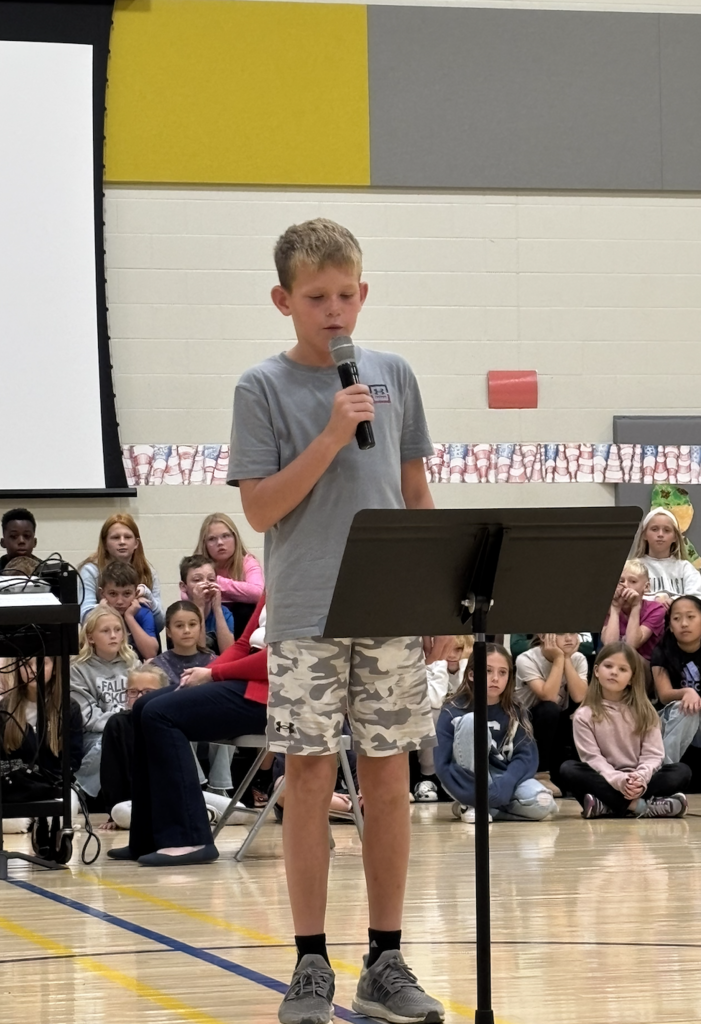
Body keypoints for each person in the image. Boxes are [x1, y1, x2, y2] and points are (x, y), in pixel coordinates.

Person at [228, 218, 443, 1024]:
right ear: (282, 300)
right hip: (307, 611)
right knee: (310, 777)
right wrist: (328, 434)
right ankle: (309, 961)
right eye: (316, 297)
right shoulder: (260, 388)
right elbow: (260, 510)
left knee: (388, 777)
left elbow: (413, 493)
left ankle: (384, 959)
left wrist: (436, 596)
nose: (333, 311)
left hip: (389, 607)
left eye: (346, 295)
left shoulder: (394, 375)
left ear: (363, 293)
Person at [107, 597, 270, 865]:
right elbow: (243, 645)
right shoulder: (272, 585)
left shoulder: (299, 589)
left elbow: (279, 657)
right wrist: (204, 673)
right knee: (143, 705)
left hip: (271, 695)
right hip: (246, 682)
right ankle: (148, 837)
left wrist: (213, 675)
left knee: (160, 713)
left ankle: (189, 838)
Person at [560, 642, 690, 818]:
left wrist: (640, 778)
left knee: (681, 771)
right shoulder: (583, 715)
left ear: (631, 678)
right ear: (596, 671)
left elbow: (653, 755)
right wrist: (618, 780)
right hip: (606, 778)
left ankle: (608, 806)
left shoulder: (645, 711)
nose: (614, 672)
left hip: (640, 780)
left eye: (622, 669)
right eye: (608, 666)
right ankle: (640, 807)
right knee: (569, 769)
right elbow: (592, 758)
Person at [434, 643, 554, 824]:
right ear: (472, 675)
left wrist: (506, 783)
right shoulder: (453, 709)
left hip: (502, 777)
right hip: (463, 780)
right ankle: (473, 803)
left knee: (543, 803)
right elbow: (442, 765)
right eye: (488, 671)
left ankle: (481, 808)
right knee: (473, 721)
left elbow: (526, 757)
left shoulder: (516, 710)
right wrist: (470, 793)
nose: (495, 678)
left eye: (502, 672)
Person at [0, 657, 84, 841]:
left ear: (55, 668)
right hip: (15, 788)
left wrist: (48, 782)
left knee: (62, 812)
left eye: (42, 664)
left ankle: (38, 822)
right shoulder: (4, 708)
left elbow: (73, 759)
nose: (33, 670)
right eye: (26, 664)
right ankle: (30, 821)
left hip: (53, 786)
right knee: (14, 823)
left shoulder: (69, 707)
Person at [152, 600, 232, 795]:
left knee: (228, 721)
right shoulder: (157, 665)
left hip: (212, 729)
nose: (186, 630)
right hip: (179, 730)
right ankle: (196, 786)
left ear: (200, 628)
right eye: (179, 626)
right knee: (182, 724)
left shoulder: (214, 662)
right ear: (169, 632)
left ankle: (219, 788)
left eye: (192, 624)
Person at [70, 606, 138, 799]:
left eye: (118, 630)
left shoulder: (133, 663)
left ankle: (197, 788)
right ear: (90, 637)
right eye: (105, 631)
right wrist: (120, 725)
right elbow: (88, 716)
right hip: (95, 734)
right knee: (108, 743)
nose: (113, 636)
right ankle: (77, 790)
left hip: (131, 727)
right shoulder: (77, 669)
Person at [514, 633, 588, 794]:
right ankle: (541, 775)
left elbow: (580, 696)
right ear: (543, 636)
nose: (569, 638)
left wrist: (566, 658)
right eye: (561, 633)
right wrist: (559, 659)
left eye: (573, 632)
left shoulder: (578, 658)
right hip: (527, 723)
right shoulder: (526, 659)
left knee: (583, 712)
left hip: (556, 723)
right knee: (549, 708)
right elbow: (549, 696)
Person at [99, 662, 169, 831]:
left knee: (231, 809)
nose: (139, 697)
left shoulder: (170, 723)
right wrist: (113, 813)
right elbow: (111, 774)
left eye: (148, 692)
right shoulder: (117, 723)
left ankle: (201, 813)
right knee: (121, 812)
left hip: (169, 800)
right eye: (133, 692)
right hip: (132, 803)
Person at [79, 513, 164, 634]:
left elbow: (160, 624)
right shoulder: (91, 571)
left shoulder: (147, 572)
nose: (122, 542)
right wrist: (105, 608)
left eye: (127, 537)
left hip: (142, 640)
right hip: (104, 640)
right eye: (115, 537)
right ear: (105, 543)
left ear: (136, 543)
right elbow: (85, 618)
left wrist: (147, 595)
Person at [415, 634, 474, 802]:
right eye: (447, 649)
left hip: (461, 729)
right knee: (434, 714)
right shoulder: (429, 667)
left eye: (458, 649)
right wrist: (439, 662)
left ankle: (464, 777)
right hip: (437, 728)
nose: (452, 655)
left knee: (469, 718)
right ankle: (428, 777)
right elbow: (435, 699)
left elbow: (469, 702)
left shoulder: (470, 670)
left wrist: (465, 666)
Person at [191, 513, 264, 635]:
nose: (220, 543)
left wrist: (216, 582)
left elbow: (257, 593)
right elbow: (187, 595)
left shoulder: (247, 562)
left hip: (242, 625)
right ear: (204, 544)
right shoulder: (197, 566)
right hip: (208, 620)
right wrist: (238, 593)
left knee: (245, 609)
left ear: (235, 538)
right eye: (212, 539)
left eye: (225, 536)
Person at [651, 596, 701, 766]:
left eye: (691, 617)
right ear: (671, 626)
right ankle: (663, 769)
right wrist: (687, 692)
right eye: (677, 618)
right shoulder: (662, 651)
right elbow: (664, 695)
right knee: (687, 708)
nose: (684, 624)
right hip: (671, 720)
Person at [630, 508, 701, 605]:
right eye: (654, 529)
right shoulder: (632, 568)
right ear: (644, 535)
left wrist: (673, 601)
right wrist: (656, 600)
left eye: (667, 530)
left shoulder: (685, 568)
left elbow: (697, 597)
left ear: (675, 537)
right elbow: (628, 597)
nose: (660, 534)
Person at [601, 559, 666, 663]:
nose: (625, 585)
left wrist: (636, 606)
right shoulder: (607, 608)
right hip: (616, 662)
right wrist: (615, 609)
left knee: (628, 659)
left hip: (646, 664)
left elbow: (631, 644)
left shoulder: (656, 609)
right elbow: (609, 646)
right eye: (621, 581)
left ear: (646, 587)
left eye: (633, 581)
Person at [98, 561, 159, 661]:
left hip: (134, 667)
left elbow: (150, 654)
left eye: (126, 594)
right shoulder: (96, 616)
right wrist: (105, 615)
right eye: (113, 594)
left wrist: (129, 617)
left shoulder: (143, 612)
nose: (120, 601)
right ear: (102, 594)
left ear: (136, 593)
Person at [179, 554, 234, 654]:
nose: (206, 584)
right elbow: (197, 654)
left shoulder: (224, 613)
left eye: (211, 579)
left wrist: (217, 609)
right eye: (197, 580)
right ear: (183, 586)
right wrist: (199, 607)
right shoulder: (178, 614)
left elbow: (228, 653)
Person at [0, 508, 40, 575]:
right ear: (3, 542)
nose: (21, 541)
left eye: (26, 536)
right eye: (13, 536)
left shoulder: (47, 570)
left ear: (34, 542)